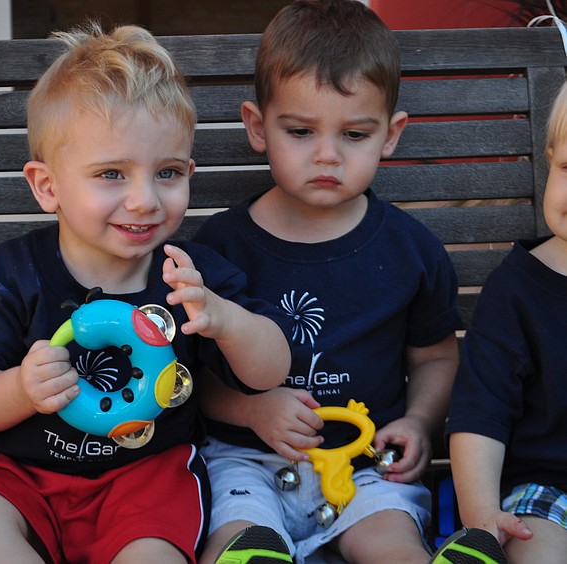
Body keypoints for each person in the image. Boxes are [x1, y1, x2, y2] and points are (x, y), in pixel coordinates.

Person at [0, 22, 292, 564]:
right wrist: (18, 390)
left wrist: (222, 318)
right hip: (23, 475)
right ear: (47, 186)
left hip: (144, 478)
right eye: (111, 174)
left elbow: (271, 371)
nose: (145, 199)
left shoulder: (191, 275)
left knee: (155, 547)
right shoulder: (16, 271)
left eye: (167, 172)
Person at [191, 1, 507, 563]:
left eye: (355, 134)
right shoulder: (220, 249)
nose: (328, 155)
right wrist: (252, 410)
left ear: (391, 134)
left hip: (365, 466)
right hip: (246, 461)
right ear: (258, 127)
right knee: (236, 535)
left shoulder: (410, 250)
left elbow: (435, 357)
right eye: (301, 131)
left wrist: (419, 420)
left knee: (389, 540)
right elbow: (187, 373)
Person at [445, 80, 567, 563]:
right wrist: (481, 518)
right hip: (547, 492)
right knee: (537, 550)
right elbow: (481, 411)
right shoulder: (518, 289)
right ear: (551, 158)